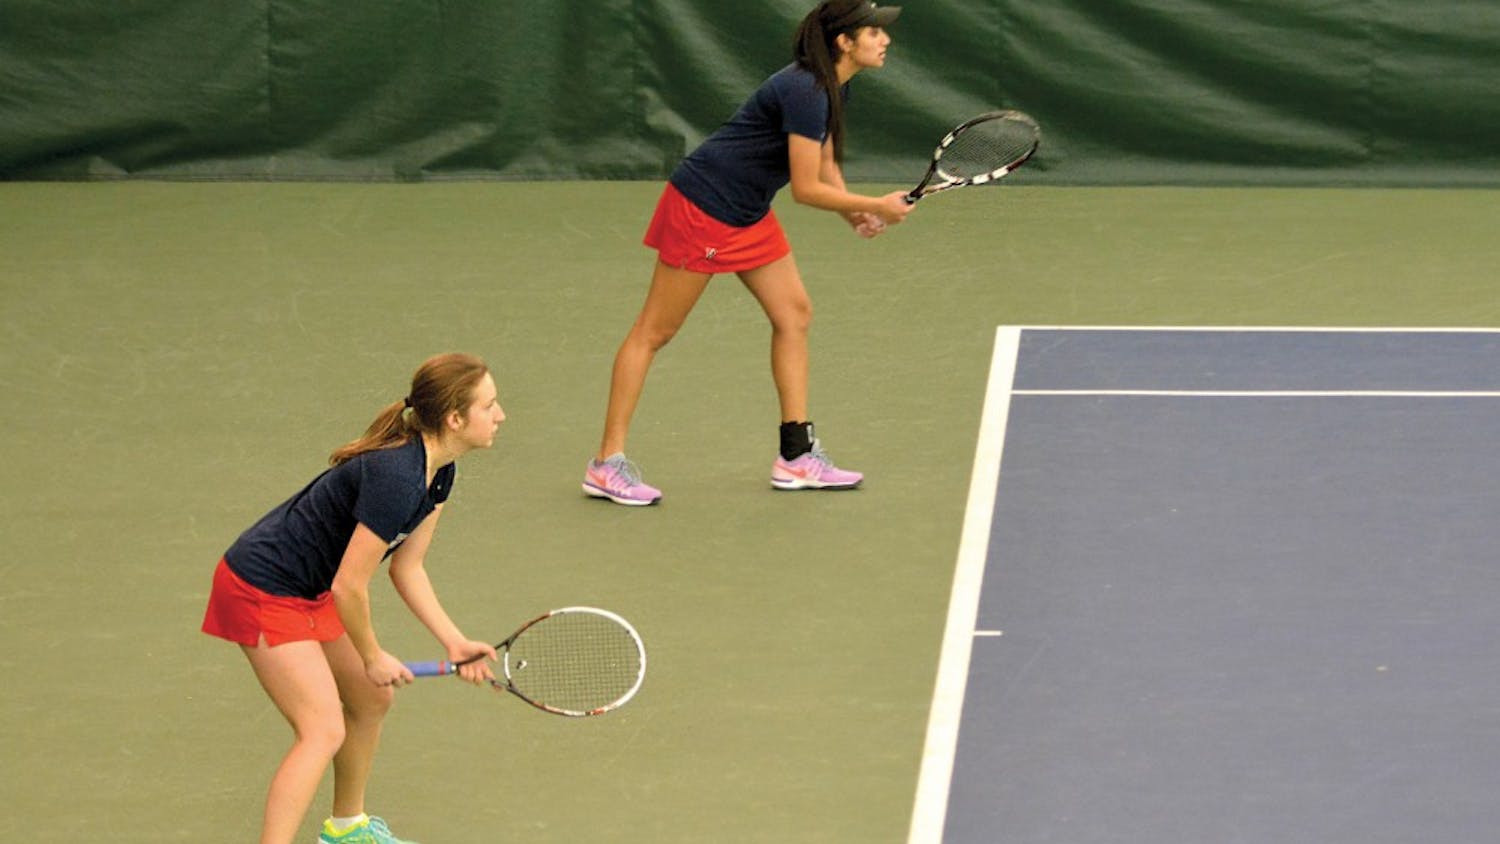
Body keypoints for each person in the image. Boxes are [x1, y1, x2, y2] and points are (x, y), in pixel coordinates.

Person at [583, 0, 913, 506]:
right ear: (844, 41)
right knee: (654, 333)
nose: (884, 39)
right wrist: (873, 204)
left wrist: (851, 210)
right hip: (705, 207)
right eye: (874, 32)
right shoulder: (805, 89)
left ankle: (796, 456)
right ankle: (607, 465)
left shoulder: (831, 83)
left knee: (794, 314)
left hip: (748, 211)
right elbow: (804, 189)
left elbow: (823, 159)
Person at [201, 353, 506, 844]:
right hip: (263, 586)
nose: (500, 415)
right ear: (454, 418)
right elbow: (350, 585)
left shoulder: (440, 472)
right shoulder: (398, 478)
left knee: (370, 697)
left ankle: (345, 830)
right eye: (489, 405)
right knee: (322, 728)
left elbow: (407, 567)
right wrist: (371, 654)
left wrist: (454, 641)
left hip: (309, 587)